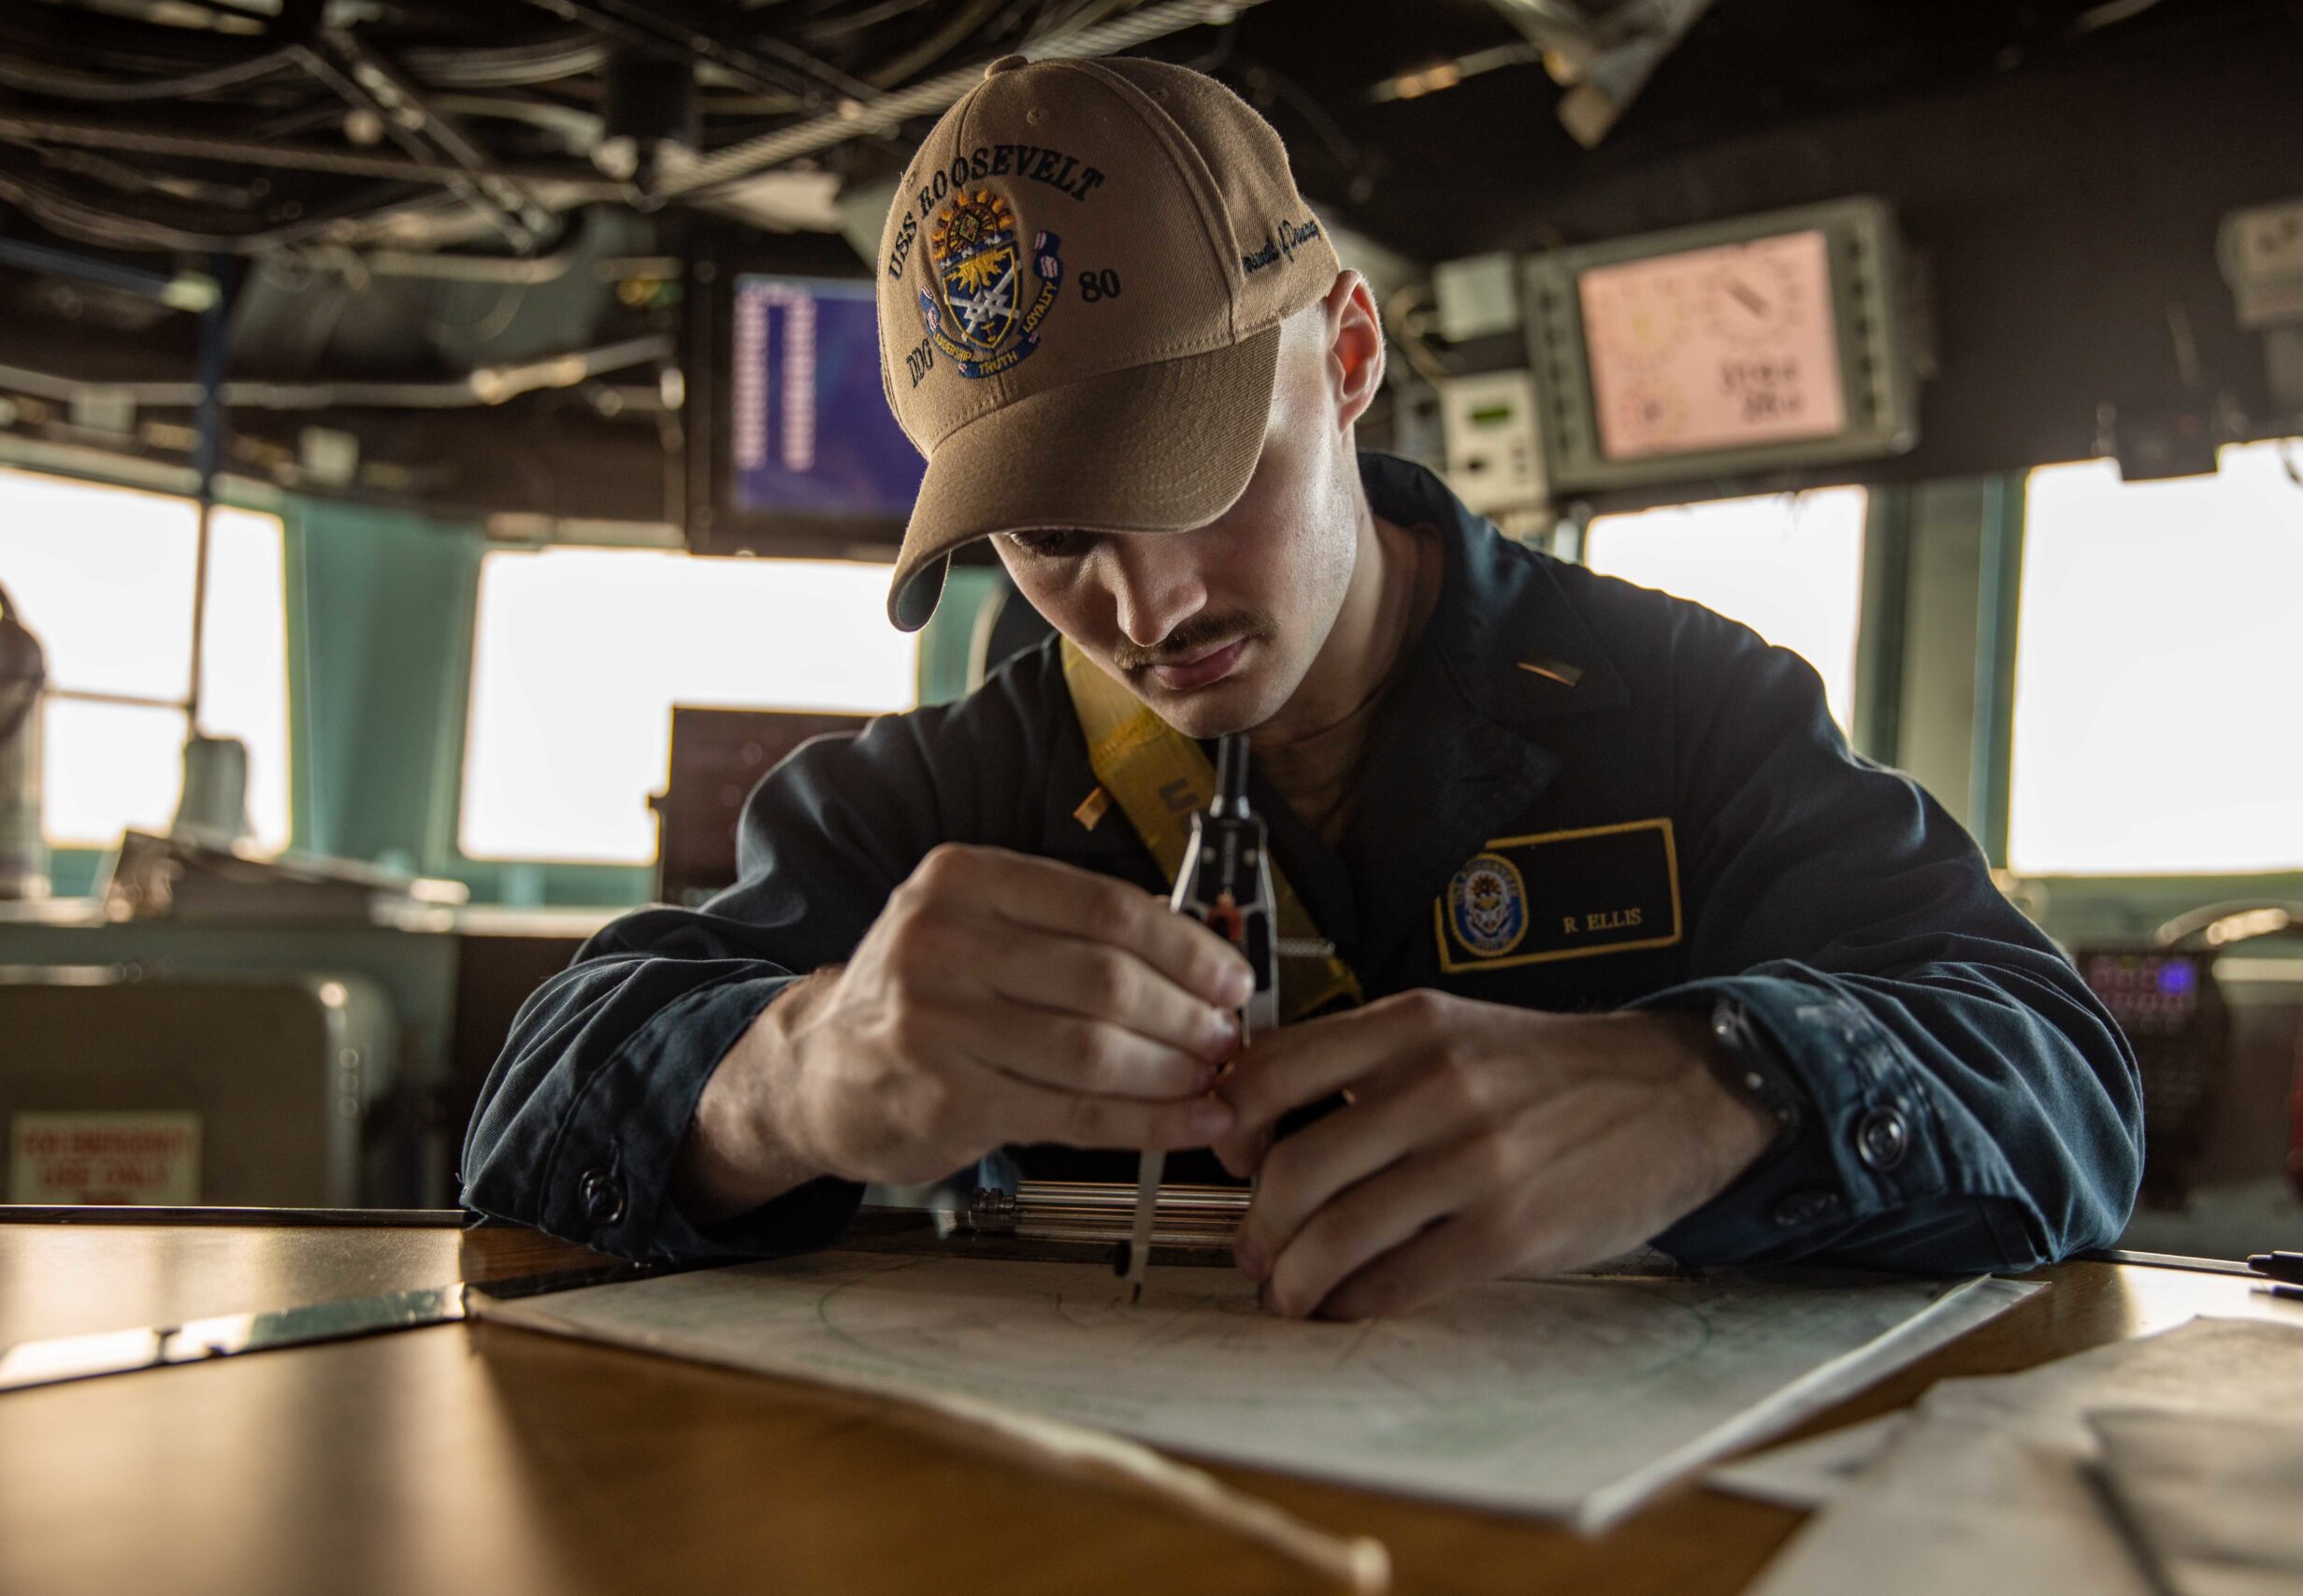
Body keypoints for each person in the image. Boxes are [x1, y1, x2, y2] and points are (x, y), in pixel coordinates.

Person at [461, 55, 2141, 1321]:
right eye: (1050, 541)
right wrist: (794, 1074)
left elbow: (2063, 1074)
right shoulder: (919, 813)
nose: (1147, 607)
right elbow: (530, 1122)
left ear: (1345, 357)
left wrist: (1724, 1088)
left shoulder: (1686, 708)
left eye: (1194, 482)